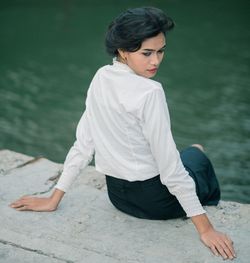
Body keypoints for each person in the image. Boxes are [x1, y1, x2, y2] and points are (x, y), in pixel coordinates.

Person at [10, 7, 236, 260]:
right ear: (122, 51)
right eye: (146, 53)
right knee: (197, 153)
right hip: (156, 203)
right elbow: (171, 170)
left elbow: (84, 144)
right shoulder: (150, 92)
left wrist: (54, 198)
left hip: (117, 196)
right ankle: (208, 194)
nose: (156, 61)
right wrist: (206, 230)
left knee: (185, 156)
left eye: (161, 51)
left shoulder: (100, 77)